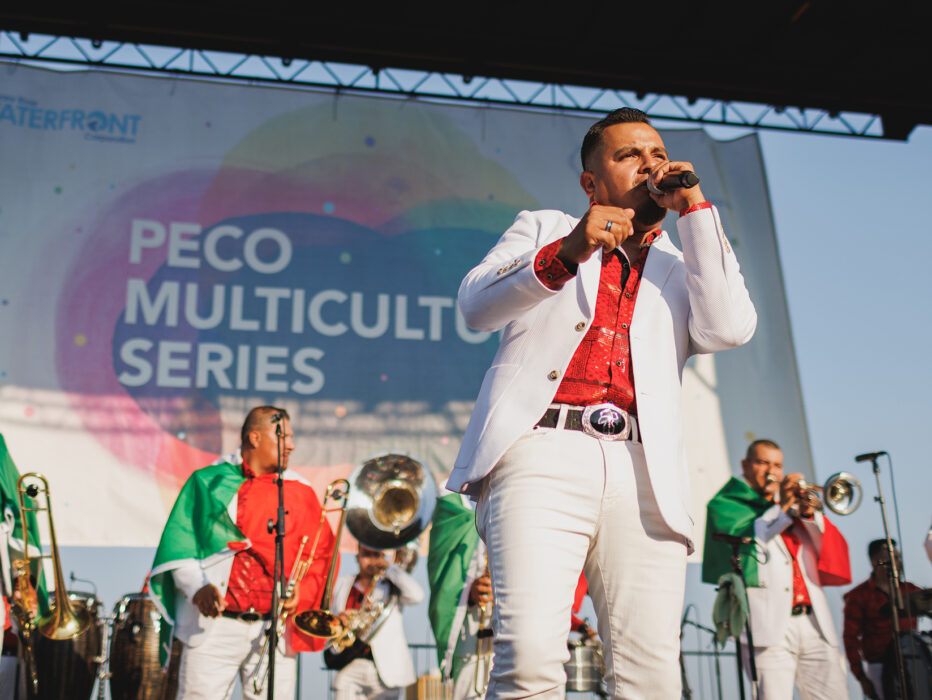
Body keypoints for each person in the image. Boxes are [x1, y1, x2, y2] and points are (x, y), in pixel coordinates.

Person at [446, 106, 758, 698]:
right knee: (532, 659)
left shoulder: (683, 264)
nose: (650, 164)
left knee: (653, 678)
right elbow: (475, 305)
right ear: (591, 183)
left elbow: (730, 328)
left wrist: (694, 210)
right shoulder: (545, 226)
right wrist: (568, 250)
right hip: (542, 450)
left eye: (657, 154)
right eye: (628, 155)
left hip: (645, 468)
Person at [148, 406, 335, 700]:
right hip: (215, 628)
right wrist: (198, 587)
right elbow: (180, 546)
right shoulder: (209, 482)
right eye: (283, 436)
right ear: (255, 437)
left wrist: (301, 592)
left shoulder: (300, 491)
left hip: (271, 631)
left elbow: (320, 556)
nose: (292, 445)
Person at [702, 439, 852, 700]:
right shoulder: (728, 504)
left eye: (777, 465)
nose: (771, 471)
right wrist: (780, 507)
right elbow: (750, 543)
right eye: (762, 463)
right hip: (768, 626)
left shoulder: (793, 509)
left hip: (814, 624)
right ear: (745, 466)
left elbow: (828, 551)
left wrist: (809, 514)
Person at [329, 544, 425, 700]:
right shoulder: (344, 583)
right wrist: (342, 622)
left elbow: (417, 595)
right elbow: (332, 619)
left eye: (377, 555)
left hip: (386, 668)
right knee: (341, 683)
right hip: (352, 660)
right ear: (358, 556)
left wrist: (389, 568)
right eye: (367, 554)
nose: (372, 560)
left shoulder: (392, 584)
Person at [842, 540, 923, 699]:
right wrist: (862, 678)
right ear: (875, 561)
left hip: (913, 664)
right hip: (879, 666)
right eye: (891, 558)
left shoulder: (910, 590)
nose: (897, 563)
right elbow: (850, 639)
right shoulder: (858, 596)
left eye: (898, 558)